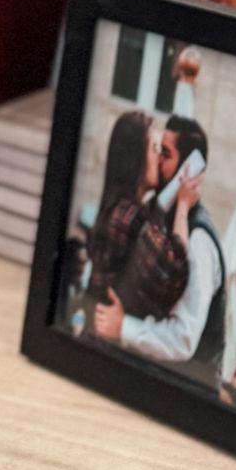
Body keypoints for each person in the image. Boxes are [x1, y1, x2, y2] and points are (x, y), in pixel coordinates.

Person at [90, 116, 228, 393]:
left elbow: (182, 341)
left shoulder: (199, 239)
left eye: (164, 153)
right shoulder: (154, 214)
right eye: (155, 149)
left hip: (187, 392)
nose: (156, 159)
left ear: (188, 170)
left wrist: (123, 328)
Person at [75, 109, 188, 322]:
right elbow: (174, 272)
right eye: (154, 148)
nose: (159, 156)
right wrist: (183, 204)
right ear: (135, 157)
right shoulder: (126, 216)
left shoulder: (121, 207)